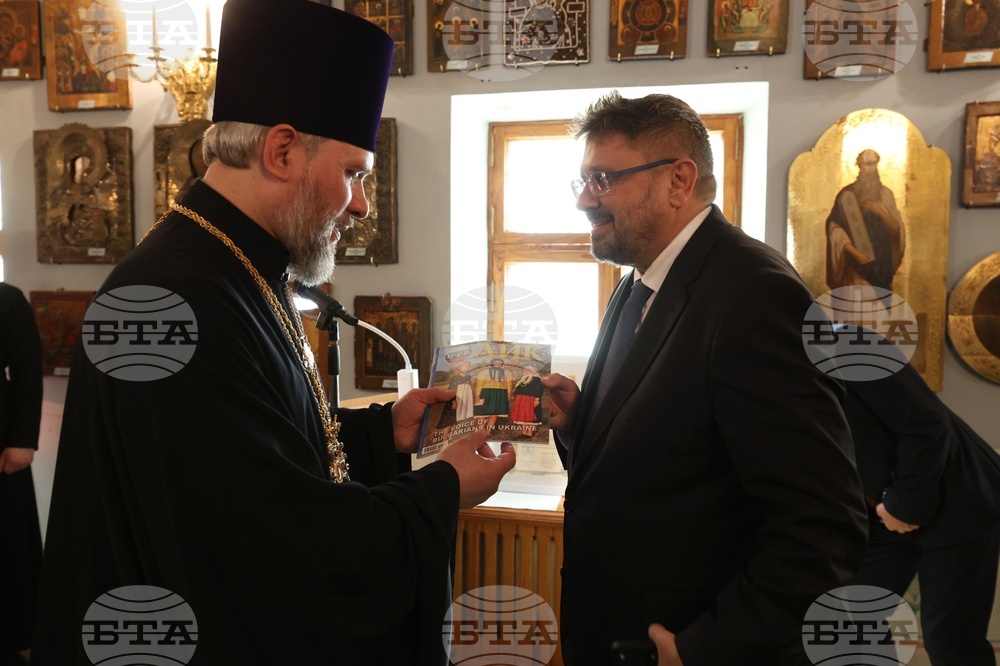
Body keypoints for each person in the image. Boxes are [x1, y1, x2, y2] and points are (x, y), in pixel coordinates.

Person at [31, 1, 515, 664]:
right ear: (282, 150)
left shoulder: (236, 266)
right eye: (353, 173)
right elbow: (271, 547)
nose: (361, 204)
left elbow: (254, 451)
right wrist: (444, 489)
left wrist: (384, 433)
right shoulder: (173, 300)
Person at [542, 91, 868, 665]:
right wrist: (581, 428)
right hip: (618, 635)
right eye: (583, 181)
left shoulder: (755, 294)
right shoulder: (640, 281)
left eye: (603, 180)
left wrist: (707, 647)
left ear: (679, 180)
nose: (584, 200)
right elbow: (679, 457)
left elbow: (821, 524)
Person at [842, 356, 1000, 666]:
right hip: (879, 512)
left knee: (950, 640)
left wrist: (904, 507)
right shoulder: (770, 376)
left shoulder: (848, 344)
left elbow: (927, 425)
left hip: (958, 496)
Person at [0, 283, 44, 666]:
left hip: (3, 446)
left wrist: (22, 441)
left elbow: (29, 370)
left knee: (8, 540)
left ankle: (16, 635)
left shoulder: (6, 299)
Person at [825, 149, 905, 293]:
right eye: (867, 164)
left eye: (874, 164)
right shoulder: (846, 195)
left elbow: (897, 231)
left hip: (881, 265)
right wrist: (856, 253)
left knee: (877, 306)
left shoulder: (886, 194)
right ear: (859, 166)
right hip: (854, 266)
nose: (871, 169)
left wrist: (880, 211)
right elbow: (834, 229)